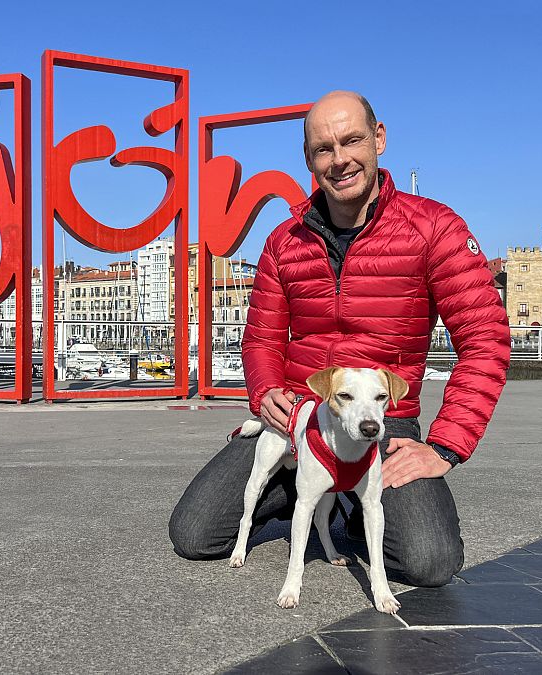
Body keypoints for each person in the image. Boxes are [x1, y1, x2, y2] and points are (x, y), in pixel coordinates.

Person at [169, 91, 511, 587]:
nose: (340, 159)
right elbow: (261, 339)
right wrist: (266, 394)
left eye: (351, 140)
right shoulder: (284, 241)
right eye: (323, 149)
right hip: (301, 420)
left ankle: (346, 502)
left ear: (379, 139)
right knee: (195, 534)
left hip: (383, 422)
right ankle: (310, 485)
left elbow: (485, 338)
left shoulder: (434, 228)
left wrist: (444, 448)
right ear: (309, 160)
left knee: (430, 562)